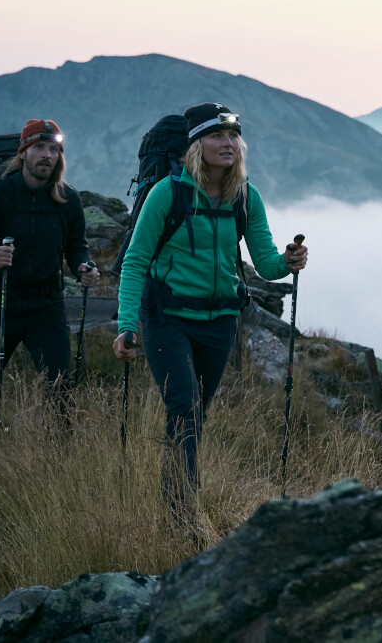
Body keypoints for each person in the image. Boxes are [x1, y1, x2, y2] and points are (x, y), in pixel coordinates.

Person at [113, 102, 307, 528]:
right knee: (184, 407)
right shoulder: (167, 192)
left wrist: (289, 261)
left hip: (220, 323)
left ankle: (175, 501)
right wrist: (128, 325)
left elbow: (266, 264)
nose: (228, 144)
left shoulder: (245, 198)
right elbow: (135, 261)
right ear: (196, 145)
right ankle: (182, 518)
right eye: (217, 136)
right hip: (167, 318)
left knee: (196, 416)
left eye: (234, 136)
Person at [0, 119, 100, 446]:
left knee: (61, 384)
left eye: (53, 149)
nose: (46, 155)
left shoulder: (67, 200)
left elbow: (76, 245)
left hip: (46, 306)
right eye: (38, 148)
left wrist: (83, 266)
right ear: (23, 153)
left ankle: (60, 464)